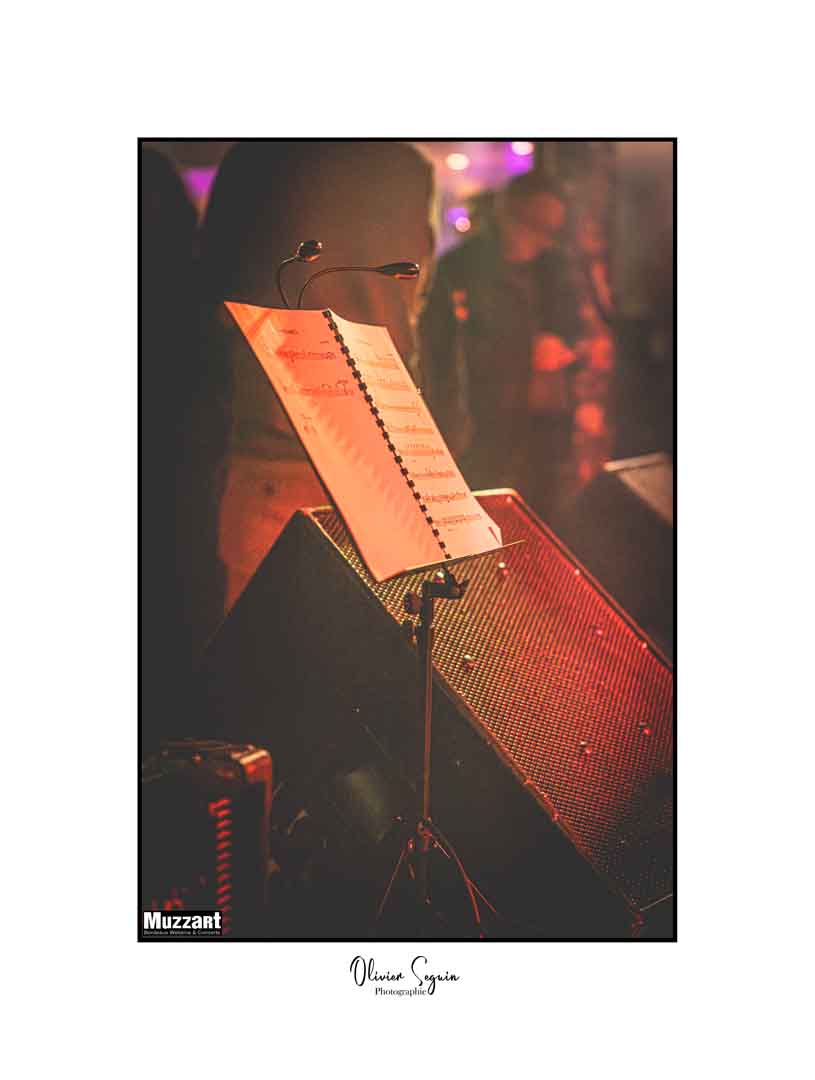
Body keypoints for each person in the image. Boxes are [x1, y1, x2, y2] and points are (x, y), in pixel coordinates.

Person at [194, 140, 436, 619]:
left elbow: (212, 284)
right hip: (378, 445)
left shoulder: (259, 158)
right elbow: (416, 287)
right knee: (359, 641)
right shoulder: (404, 164)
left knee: (261, 641)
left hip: (274, 440)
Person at [418, 173, 585, 504]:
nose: (542, 240)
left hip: (541, 437)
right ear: (507, 210)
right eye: (535, 225)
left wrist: (564, 348)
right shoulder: (459, 269)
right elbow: (439, 354)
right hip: (481, 432)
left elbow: (577, 332)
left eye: (552, 231)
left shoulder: (555, 269)